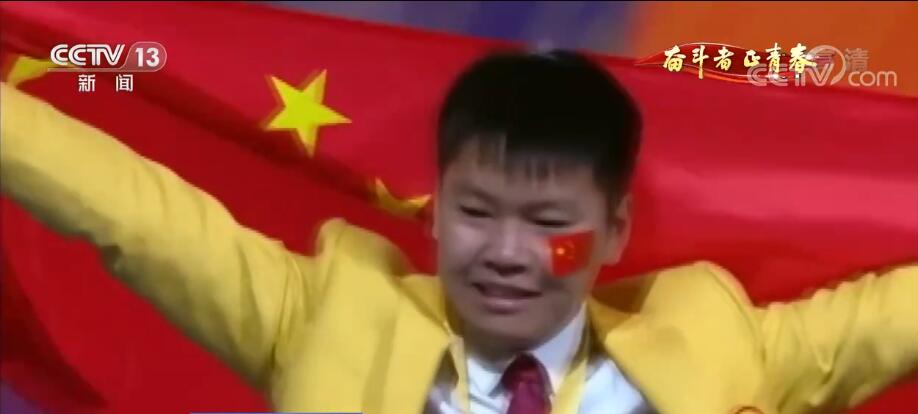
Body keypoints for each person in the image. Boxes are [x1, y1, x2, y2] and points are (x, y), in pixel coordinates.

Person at [0, 50, 915, 414]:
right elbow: (131, 212)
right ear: (434, 210)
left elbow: (890, 318)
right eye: (476, 213)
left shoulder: (713, 340)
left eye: (550, 225)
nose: (507, 253)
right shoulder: (326, 315)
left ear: (613, 234)